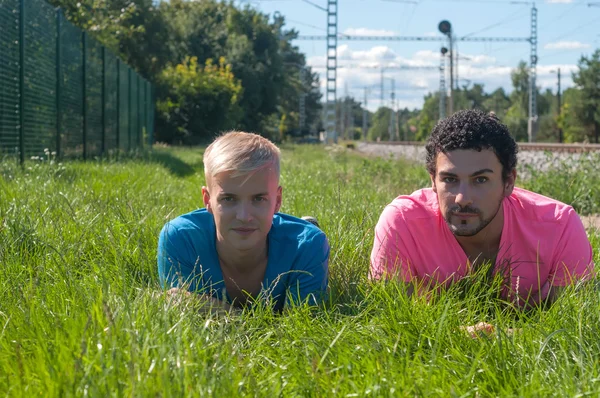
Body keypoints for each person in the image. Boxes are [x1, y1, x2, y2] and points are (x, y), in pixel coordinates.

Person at [370, 109, 594, 310]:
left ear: (508, 182)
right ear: (433, 180)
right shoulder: (402, 223)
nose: (463, 198)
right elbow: (392, 315)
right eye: (449, 179)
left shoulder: (559, 227)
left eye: (480, 180)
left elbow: (573, 320)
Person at [158, 131, 329, 312]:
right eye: (229, 199)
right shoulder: (180, 239)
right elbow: (183, 316)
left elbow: (301, 331)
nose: (244, 216)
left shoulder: (308, 246)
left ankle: (304, 227)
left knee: (310, 238)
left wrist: (219, 311)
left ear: (277, 200)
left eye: (258, 199)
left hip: (298, 241)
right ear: (207, 200)